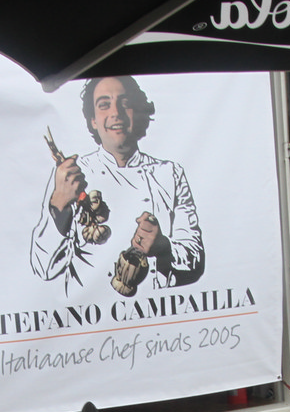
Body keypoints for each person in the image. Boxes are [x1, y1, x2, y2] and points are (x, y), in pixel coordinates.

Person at [29, 75, 204, 292]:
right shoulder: (71, 175)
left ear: (138, 112)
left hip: (155, 308)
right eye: (104, 105)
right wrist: (59, 207)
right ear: (93, 120)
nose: (115, 113)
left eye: (125, 103)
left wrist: (163, 246)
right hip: (93, 310)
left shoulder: (169, 174)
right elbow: (43, 268)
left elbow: (196, 258)